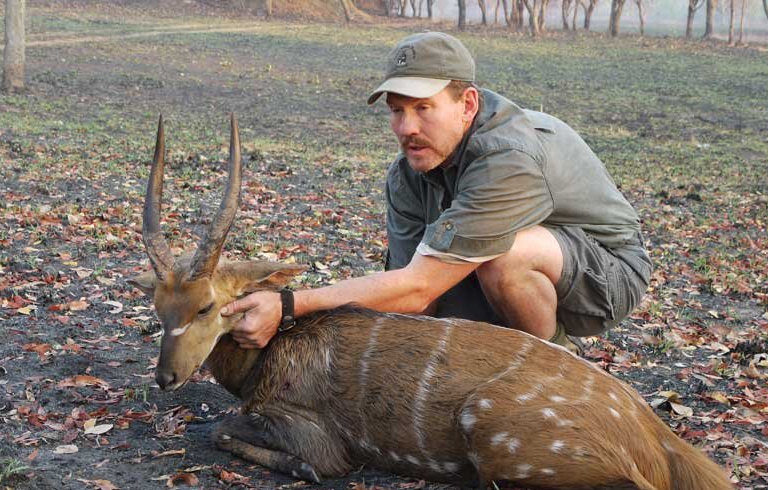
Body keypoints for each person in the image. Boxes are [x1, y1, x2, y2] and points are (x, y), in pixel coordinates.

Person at [222, 31, 651, 353]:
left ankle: (558, 366)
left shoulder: (508, 156)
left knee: (507, 257)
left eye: (423, 108)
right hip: (490, 266)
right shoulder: (408, 172)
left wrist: (291, 305)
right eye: (397, 111)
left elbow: (418, 287)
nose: (406, 129)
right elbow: (411, 295)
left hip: (604, 274)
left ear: (467, 104)